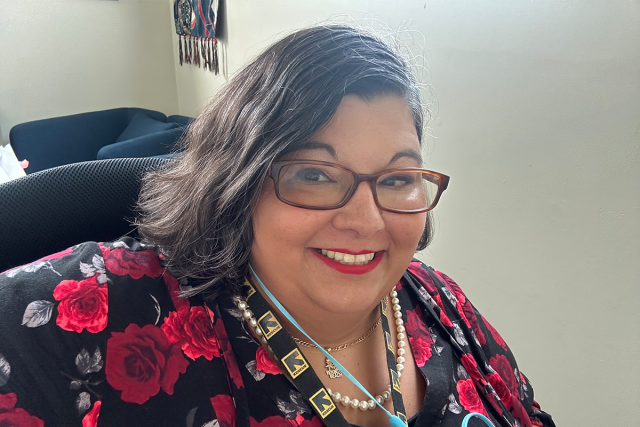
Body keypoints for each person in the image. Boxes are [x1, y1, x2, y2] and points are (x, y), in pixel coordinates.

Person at [0, 25, 555, 427]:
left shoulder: (440, 302)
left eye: (397, 178)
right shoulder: (94, 315)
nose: (366, 221)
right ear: (236, 180)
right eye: (314, 174)